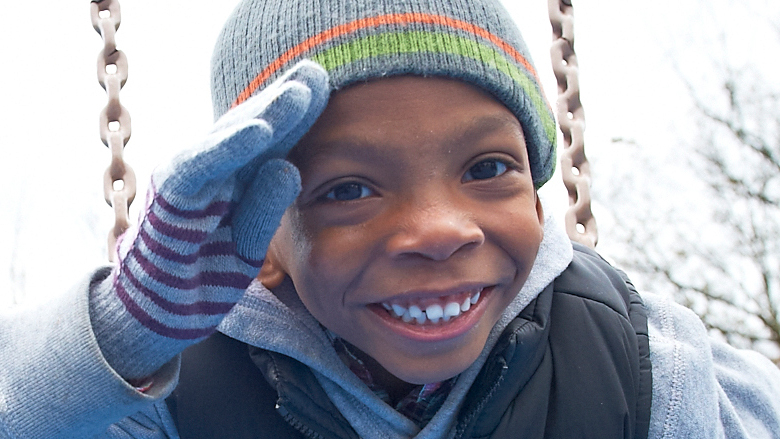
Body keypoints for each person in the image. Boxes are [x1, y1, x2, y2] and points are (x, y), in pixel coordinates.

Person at [1, 0, 779, 438]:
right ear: (265, 242)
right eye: (349, 190)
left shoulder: (641, 369)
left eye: (487, 169)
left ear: (538, 200)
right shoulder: (177, 398)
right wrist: (119, 335)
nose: (441, 228)